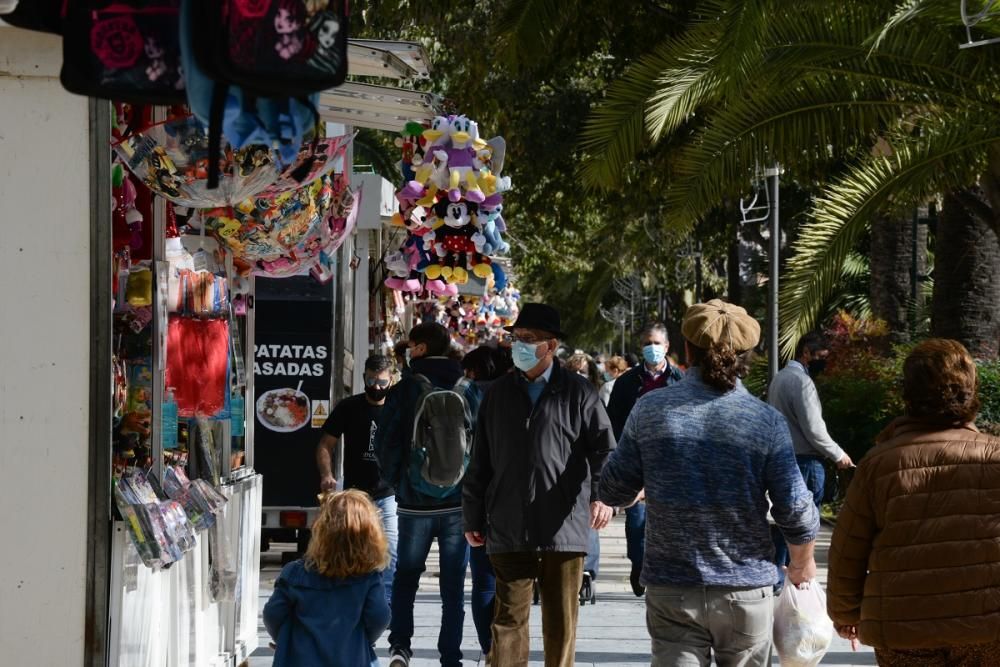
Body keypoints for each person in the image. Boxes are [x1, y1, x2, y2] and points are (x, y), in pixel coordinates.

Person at [598, 299, 819, 666]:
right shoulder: (764, 421)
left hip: (673, 587)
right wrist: (801, 564)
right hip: (745, 590)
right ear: (746, 356)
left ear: (686, 349)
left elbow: (613, 489)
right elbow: (794, 507)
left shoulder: (651, 410)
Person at [828, 339, 1000, 664]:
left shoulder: (879, 463)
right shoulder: (995, 456)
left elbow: (849, 548)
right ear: (971, 390)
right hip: (988, 625)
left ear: (908, 394)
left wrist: (846, 611)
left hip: (902, 626)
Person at [463, 303, 616, 667]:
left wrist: (603, 496)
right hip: (507, 524)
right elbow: (479, 460)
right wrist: (472, 516)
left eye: (529, 339)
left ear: (551, 345)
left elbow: (605, 450)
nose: (520, 345)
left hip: (563, 526)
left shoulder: (579, 393)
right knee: (507, 623)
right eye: (516, 338)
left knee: (560, 626)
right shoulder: (497, 394)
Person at [376, 322, 480, 667]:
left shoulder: (406, 389)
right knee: (453, 587)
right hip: (458, 504)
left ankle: (400, 648)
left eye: (412, 345)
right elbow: (483, 446)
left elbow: (386, 442)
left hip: (413, 504)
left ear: (420, 349)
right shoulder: (468, 387)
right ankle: (450, 656)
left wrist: (396, 484)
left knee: (406, 577)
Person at [263, 490, 391, 667]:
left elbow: (273, 614)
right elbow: (379, 618)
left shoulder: (294, 574)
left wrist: (285, 640)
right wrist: (361, 640)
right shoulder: (369, 579)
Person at [767, 331, 853, 588]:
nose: (823, 363)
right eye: (821, 357)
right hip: (805, 462)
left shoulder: (780, 378)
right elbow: (814, 429)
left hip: (782, 458)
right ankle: (798, 577)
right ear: (806, 353)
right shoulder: (801, 382)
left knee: (783, 519)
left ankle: (777, 574)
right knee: (804, 523)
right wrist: (838, 454)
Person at [605, 323, 684, 596]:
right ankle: (639, 563)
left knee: (666, 521)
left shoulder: (679, 380)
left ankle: (662, 570)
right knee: (636, 521)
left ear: (667, 346)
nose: (652, 348)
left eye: (657, 343)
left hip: (671, 463)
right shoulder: (626, 383)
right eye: (648, 343)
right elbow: (613, 422)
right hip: (635, 460)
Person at [316, 354, 397, 603]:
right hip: (355, 494)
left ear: (392, 380)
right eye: (371, 380)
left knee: (391, 551)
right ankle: (354, 598)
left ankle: (384, 604)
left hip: (388, 493)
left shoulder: (399, 408)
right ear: (363, 376)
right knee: (351, 549)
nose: (376, 387)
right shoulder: (349, 407)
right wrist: (327, 475)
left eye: (382, 382)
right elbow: (325, 444)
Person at [459, 344, 514, 661]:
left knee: (483, 583)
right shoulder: (518, 395)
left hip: (475, 499)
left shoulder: (463, 396)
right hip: (514, 501)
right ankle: (506, 649)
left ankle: (490, 651)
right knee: (514, 584)